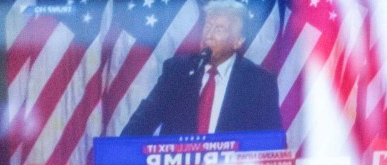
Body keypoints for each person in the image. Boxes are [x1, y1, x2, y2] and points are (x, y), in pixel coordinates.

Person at [120, 0, 285, 139]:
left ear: (238, 41)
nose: (209, 34)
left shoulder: (260, 82)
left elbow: (272, 144)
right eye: (208, 25)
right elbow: (138, 128)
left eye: (219, 29)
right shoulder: (177, 72)